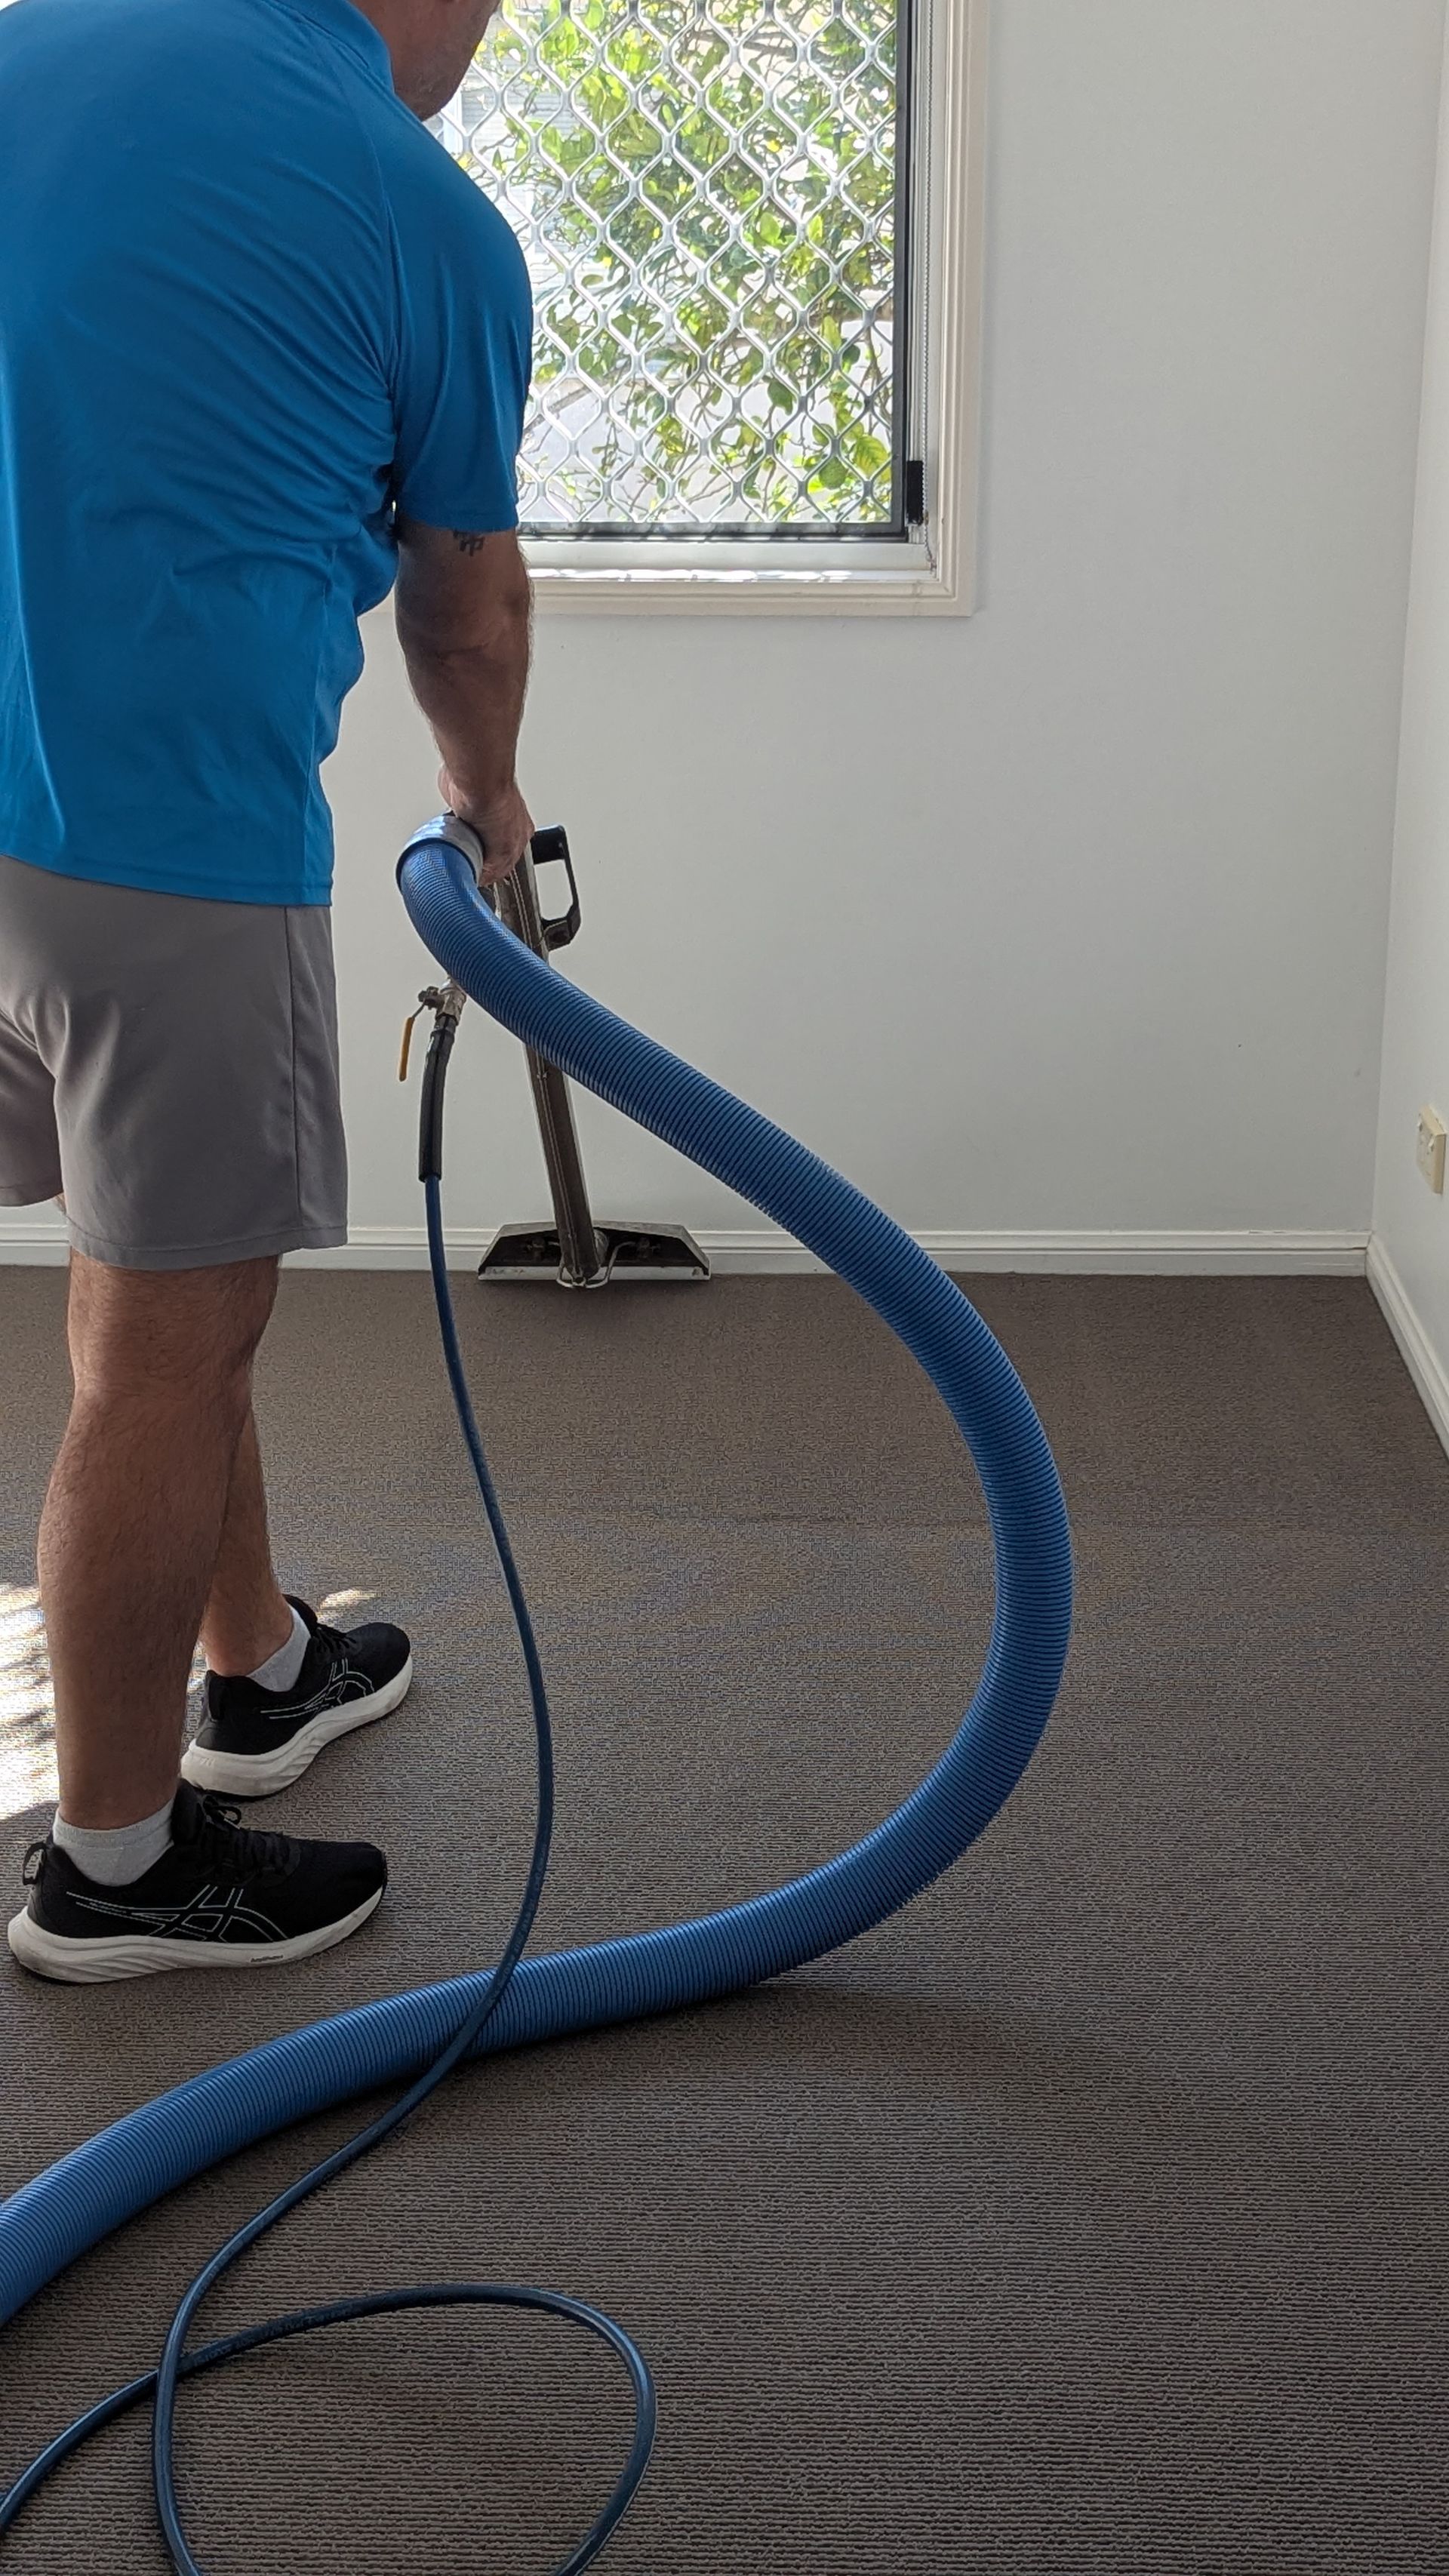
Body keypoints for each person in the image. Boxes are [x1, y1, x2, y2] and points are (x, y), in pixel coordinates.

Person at [0, 0, 534, 1980]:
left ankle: (258, 1665)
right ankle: (118, 1870)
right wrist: (485, 805)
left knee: (159, 1298)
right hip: (163, 845)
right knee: (167, 1349)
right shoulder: (427, 222)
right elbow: (465, 606)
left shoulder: (28, 50)